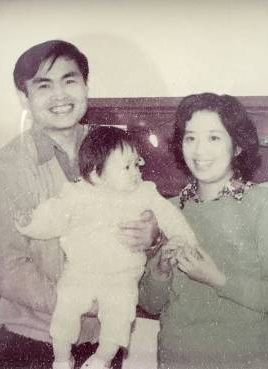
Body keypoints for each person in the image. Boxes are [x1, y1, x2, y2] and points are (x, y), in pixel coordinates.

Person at [0, 40, 159, 369]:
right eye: (44, 86)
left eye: (70, 81)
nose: (60, 95)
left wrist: (150, 236)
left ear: (86, 86)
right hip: (32, 342)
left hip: (102, 341)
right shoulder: (8, 168)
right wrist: (81, 301)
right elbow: (4, 269)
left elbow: (143, 221)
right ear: (24, 97)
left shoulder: (116, 152)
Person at [138, 92, 268, 369]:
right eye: (190, 138)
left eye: (214, 137)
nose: (200, 151)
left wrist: (217, 279)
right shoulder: (168, 209)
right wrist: (160, 271)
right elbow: (151, 304)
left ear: (236, 146)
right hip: (176, 358)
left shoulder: (265, 204)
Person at [15, 126, 198, 369]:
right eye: (126, 167)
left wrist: (182, 237)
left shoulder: (144, 193)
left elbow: (170, 215)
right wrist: (31, 224)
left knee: (120, 315)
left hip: (122, 276)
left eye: (137, 164)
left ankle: (103, 358)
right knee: (66, 305)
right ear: (96, 175)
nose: (136, 172)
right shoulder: (77, 194)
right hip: (80, 272)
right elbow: (53, 217)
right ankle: (61, 358)